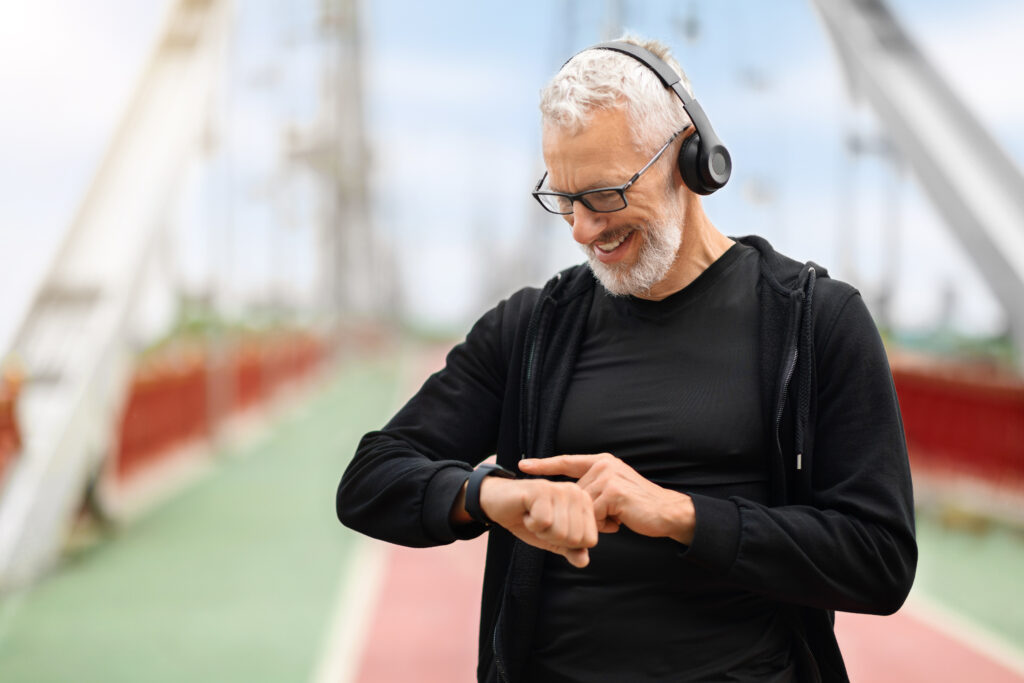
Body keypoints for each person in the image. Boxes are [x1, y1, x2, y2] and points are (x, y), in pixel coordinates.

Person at [337, 35, 916, 683]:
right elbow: (370, 480)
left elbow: (879, 560)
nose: (582, 230)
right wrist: (491, 496)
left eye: (603, 194)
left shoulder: (817, 321)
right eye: (563, 198)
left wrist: (678, 513)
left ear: (691, 159)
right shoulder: (532, 327)